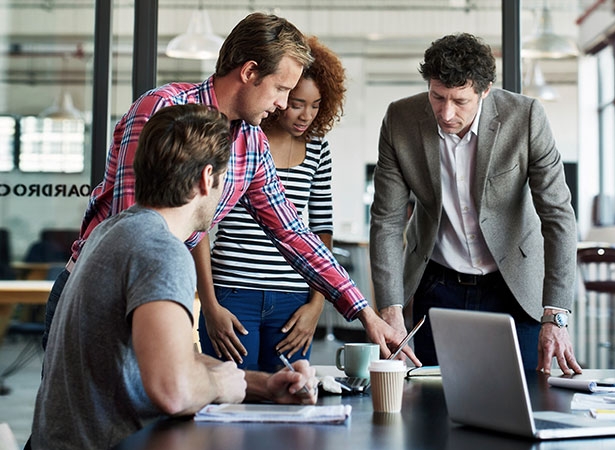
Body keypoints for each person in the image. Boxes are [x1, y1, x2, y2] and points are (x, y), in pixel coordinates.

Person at [40, 12, 418, 363]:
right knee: (78, 415)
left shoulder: (251, 143)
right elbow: (132, 228)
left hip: (157, 297)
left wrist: (364, 313)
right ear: (250, 72)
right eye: (280, 88)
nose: (283, 104)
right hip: (98, 294)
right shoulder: (162, 109)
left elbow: (292, 232)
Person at [29, 104, 317, 450]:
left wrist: (261, 385)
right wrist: (221, 386)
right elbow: (172, 390)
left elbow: (167, 355)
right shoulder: (161, 251)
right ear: (207, 178)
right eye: (225, 178)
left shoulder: (113, 231)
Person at [369, 33, 581, 374]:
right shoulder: (400, 119)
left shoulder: (525, 118)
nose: (446, 113)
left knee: (523, 397)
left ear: (485, 91)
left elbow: (558, 217)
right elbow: (387, 220)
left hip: (514, 287)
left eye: (460, 101)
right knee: (436, 398)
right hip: (438, 286)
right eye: (437, 97)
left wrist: (555, 313)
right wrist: (390, 308)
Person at [198, 36, 346, 371]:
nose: (306, 115)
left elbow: (320, 229)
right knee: (231, 393)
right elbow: (200, 224)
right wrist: (209, 304)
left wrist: (316, 306)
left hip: (293, 301)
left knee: (290, 393)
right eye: (296, 102)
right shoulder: (240, 138)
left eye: (316, 105)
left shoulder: (318, 149)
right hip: (233, 292)